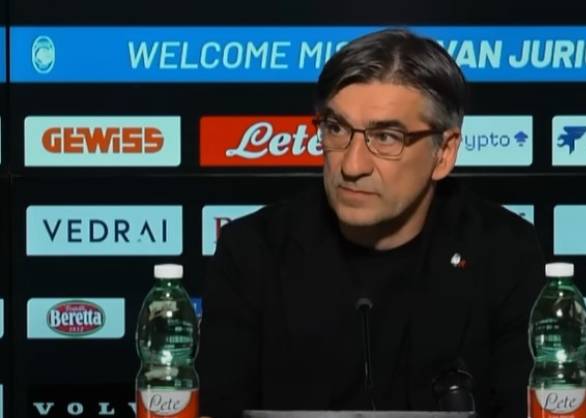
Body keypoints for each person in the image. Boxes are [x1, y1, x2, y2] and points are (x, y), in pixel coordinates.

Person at [197, 28, 545, 418]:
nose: (352, 165)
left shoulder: (505, 252)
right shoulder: (251, 251)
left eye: (386, 137)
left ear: (444, 153)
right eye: (336, 128)